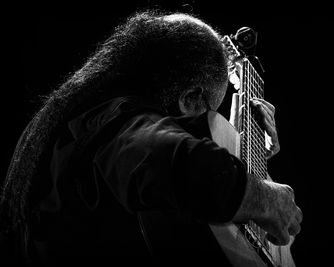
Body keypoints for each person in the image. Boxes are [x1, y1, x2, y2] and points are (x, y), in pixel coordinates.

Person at [0, 10, 302, 266]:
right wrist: (262, 198)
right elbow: (182, 163)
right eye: (209, 112)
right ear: (189, 100)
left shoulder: (90, 116)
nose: (204, 128)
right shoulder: (115, 121)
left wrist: (245, 149)